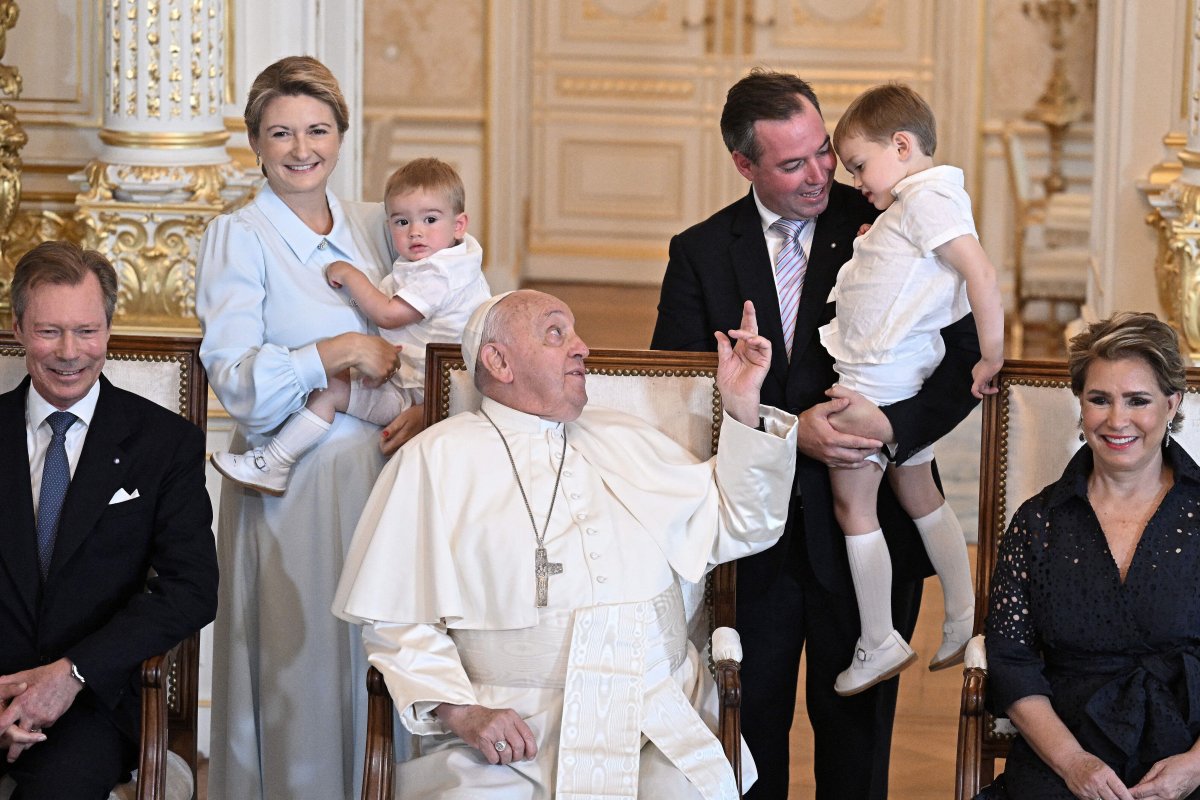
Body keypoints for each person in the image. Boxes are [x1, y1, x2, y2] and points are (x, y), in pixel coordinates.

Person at [651, 68, 982, 799]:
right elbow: (674, 399)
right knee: (752, 738)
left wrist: (892, 427)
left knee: (858, 751)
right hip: (753, 541)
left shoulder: (894, 217)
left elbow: (964, 360)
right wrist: (786, 434)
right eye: (792, 163)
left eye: (824, 153)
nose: (820, 175)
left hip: (870, 534)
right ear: (745, 165)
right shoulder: (700, 253)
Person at [333, 289, 798, 799]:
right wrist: (462, 713)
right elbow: (395, 620)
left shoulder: (629, 439)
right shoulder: (434, 459)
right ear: (499, 361)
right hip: (510, 734)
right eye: (557, 333)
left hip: (654, 721)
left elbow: (746, 524)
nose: (582, 347)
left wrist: (741, 404)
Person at [196, 56, 405, 799]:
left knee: (383, 663)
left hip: (383, 486)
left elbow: (428, 328)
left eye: (317, 130)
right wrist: (337, 352)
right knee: (305, 675)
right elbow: (241, 384)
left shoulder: (377, 226)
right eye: (280, 133)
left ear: (342, 136)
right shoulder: (238, 237)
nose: (300, 148)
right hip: (293, 496)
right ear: (254, 141)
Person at [0, 241, 218, 798]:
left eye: (87, 331)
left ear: (109, 327)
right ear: (19, 328)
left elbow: (192, 589)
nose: (70, 352)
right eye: (49, 331)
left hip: (91, 701)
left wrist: (71, 673)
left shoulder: (164, 444)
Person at [822, 83, 1004, 695]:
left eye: (859, 166)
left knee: (854, 505)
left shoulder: (928, 200)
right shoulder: (917, 203)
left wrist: (992, 352)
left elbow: (979, 271)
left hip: (873, 376)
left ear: (902, 146)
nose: (856, 181)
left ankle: (879, 639)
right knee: (920, 492)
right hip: (898, 371)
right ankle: (960, 615)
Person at [986, 312, 1200, 800]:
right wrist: (1074, 764)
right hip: (1068, 751)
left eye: (1138, 401)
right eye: (1099, 399)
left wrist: (1192, 768)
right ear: (1080, 405)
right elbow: (1011, 661)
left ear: (1172, 404)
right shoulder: (1037, 523)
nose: (1117, 420)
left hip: (1189, 746)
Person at [209, 156, 491, 495]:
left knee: (329, 390)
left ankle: (274, 462)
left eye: (430, 219)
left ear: (459, 225)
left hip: (426, 395)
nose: (415, 231)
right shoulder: (442, 256)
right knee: (330, 389)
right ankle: (273, 463)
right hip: (410, 389)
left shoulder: (441, 271)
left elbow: (388, 314)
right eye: (401, 222)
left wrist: (350, 276)